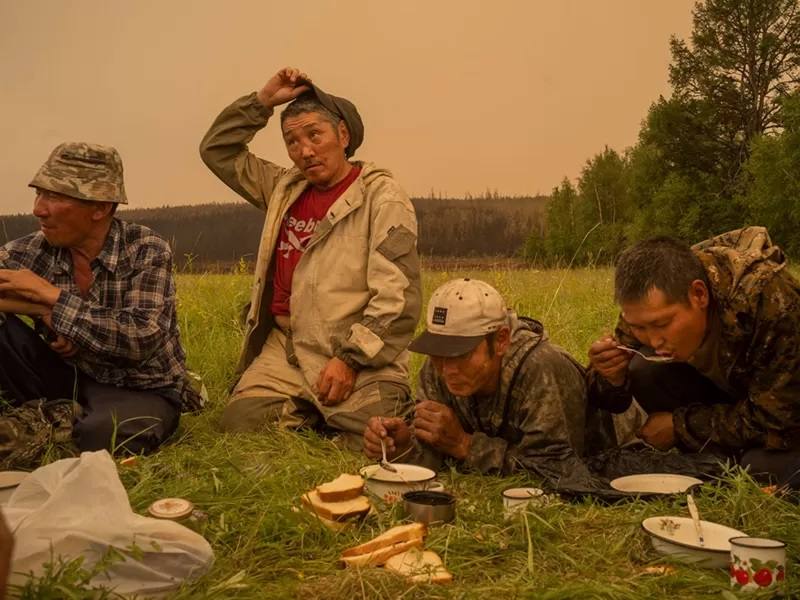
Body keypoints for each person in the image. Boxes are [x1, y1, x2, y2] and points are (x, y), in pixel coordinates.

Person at [200, 67, 421, 449]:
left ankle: (317, 416)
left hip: (359, 356)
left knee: (383, 436)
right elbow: (217, 150)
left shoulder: (382, 198)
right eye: (292, 141)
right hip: (287, 349)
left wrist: (350, 361)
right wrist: (262, 102)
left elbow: (397, 300)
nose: (304, 151)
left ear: (343, 135)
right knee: (240, 424)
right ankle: (312, 413)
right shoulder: (284, 188)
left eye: (314, 135)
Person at [0, 142, 200, 467]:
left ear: (100, 208)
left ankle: (52, 420)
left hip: (138, 387)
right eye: (39, 193)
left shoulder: (145, 249)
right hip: (65, 376)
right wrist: (38, 310)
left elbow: (140, 338)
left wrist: (51, 299)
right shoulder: (29, 251)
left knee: (105, 436)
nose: (39, 209)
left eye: (55, 196)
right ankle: (58, 415)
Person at [587, 227, 800, 487]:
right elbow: (609, 401)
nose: (653, 340)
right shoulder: (644, 310)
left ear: (699, 295)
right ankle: (718, 456)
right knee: (642, 368)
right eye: (639, 328)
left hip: (785, 415)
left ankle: (726, 460)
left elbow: (779, 421)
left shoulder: (771, 302)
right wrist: (610, 377)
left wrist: (680, 427)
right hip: (734, 401)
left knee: (761, 469)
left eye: (663, 324)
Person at [363, 278, 613, 482]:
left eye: (461, 354)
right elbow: (437, 453)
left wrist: (466, 445)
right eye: (439, 352)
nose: (447, 369)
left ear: (501, 340)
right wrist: (404, 445)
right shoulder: (435, 368)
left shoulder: (541, 368)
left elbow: (557, 469)